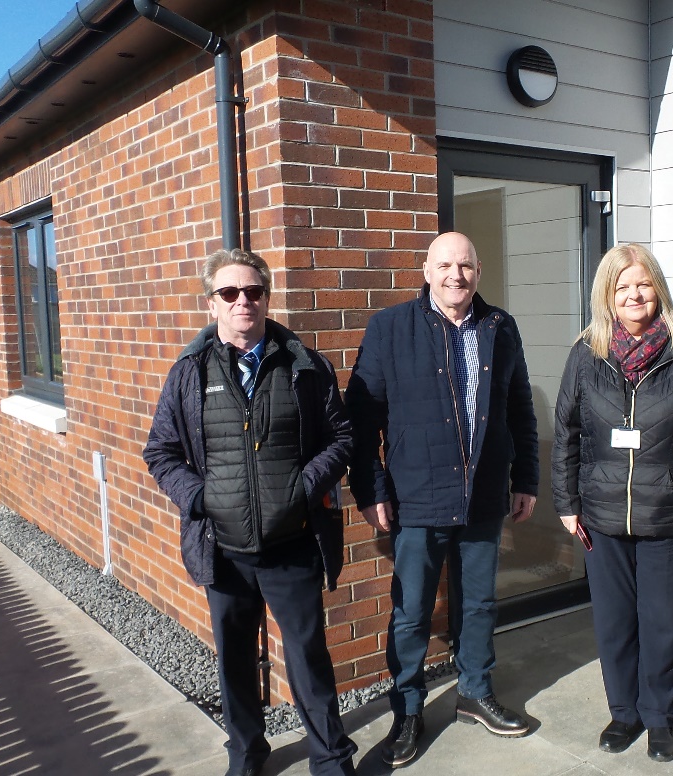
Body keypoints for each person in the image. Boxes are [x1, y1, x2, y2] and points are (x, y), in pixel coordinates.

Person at [143, 248, 358, 776]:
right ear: (211, 302)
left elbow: (342, 438)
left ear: (267, 297)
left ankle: (330, 759)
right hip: (225, 550)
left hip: (293, 544)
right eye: (230, 293)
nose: (244, 302)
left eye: (254, 291)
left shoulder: (306, 367)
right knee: (235, 662)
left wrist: (302, 489)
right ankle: (246, 754)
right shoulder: (189, 373)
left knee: (308, 658)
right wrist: (201, 499)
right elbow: (160, 451)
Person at [346, 231, 539, 767]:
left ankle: (475, 691)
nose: (457, 275)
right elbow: (362, 419)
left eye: (467, 266)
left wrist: (525, 477)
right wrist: (371, 489)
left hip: (482, 496)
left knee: (478, 603)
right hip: (417, 498)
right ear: (427, 270)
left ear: (479, 270)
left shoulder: (500, 328)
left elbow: (519, 408)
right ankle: (407, 711)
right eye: (446, 265)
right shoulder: (391, 327)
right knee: (410, 612)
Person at [551, 243, 673, 763]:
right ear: (607, 295)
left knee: (661, 621)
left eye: (643, 283)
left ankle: (658, 716)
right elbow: (564, 430)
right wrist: (566, 501)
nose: (634, 294)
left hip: (671, 515)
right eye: (622, 286)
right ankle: (623, 713)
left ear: (659, 288)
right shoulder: (587, 352)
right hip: (602, 514)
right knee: (613, 623)